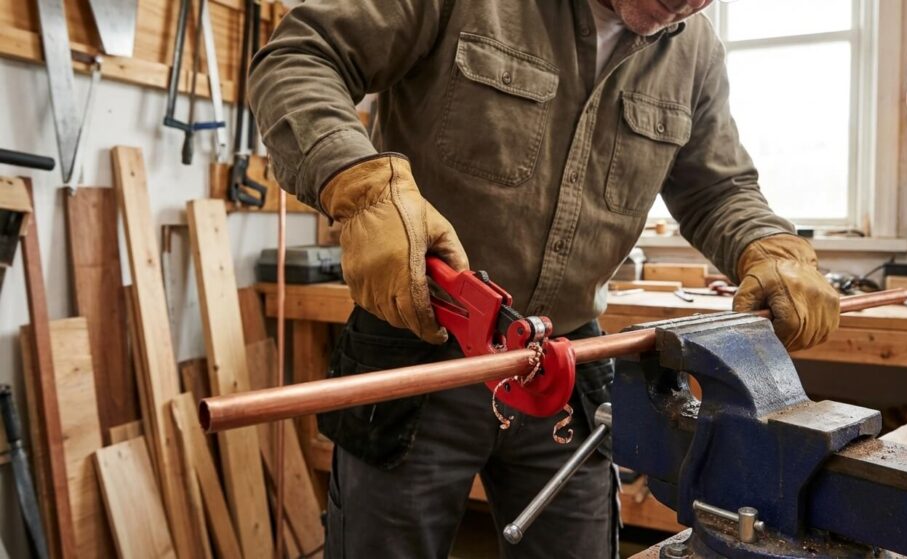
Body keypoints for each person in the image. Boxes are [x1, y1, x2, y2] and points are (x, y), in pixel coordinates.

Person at [249, 0, 840, 557]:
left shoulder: (695, 50)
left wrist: (772, 245)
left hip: (565, 365)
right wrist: (358, 185)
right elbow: (301, 55)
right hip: (417, 351)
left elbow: (717, 188)